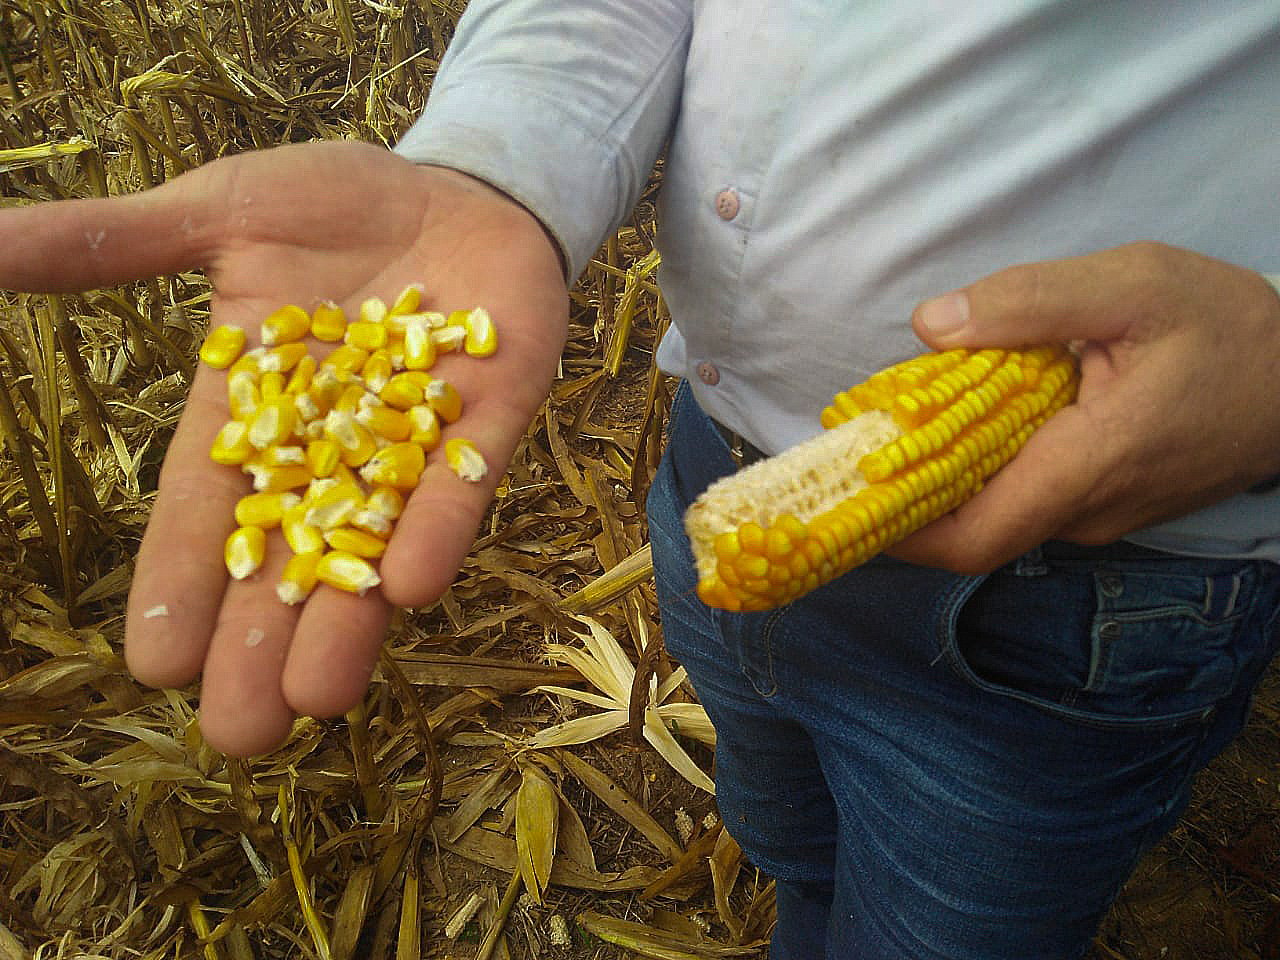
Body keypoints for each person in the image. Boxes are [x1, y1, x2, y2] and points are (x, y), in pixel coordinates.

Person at [2, 2, 1279, 957]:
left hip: (1087, 605)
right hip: (719, 472)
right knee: (782, 817)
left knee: (948, 930)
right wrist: (497, 166)